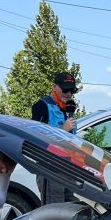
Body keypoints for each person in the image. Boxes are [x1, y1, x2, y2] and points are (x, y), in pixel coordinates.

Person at [31, 72, 78, 203]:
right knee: (54, 208)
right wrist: (62, 130)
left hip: (68, 165)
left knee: (70, 206)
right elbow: (36, 139)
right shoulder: (42, 106)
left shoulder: (69, 107)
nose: (69, 93)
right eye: (65, 89)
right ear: (55, 86)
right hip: (50, 165)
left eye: (72, 90)